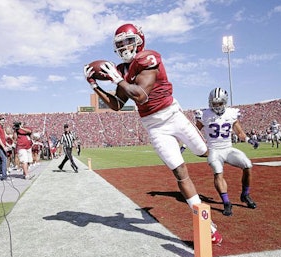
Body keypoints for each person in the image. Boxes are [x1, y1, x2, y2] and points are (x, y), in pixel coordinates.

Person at [83, 23, 222, 244]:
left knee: (204, 151)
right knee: (180, 172)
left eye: (127, 41)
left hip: (172, 115)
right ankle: (208, 227)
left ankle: (221, 161)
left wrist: (118, 80)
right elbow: (118, 104)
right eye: (119, 43)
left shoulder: (148, 58)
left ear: (139, 40)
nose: (123, 46)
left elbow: (140, 96)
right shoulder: (123, 70)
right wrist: (94, 86)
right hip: (154, 126)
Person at [195, 87, 258, 216]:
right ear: (210, 102)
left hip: (228, 149)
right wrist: (189, 145)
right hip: (214, 150)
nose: (217, 106)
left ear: (225, 102)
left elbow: (239, 132)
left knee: (248, 165)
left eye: (220, 103)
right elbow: (195, 132)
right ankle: (226, 203)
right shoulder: (204, 114)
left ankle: (245, 195)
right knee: (218, 172)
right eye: (214, 103)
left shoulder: (231, 113)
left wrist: (249, 140)